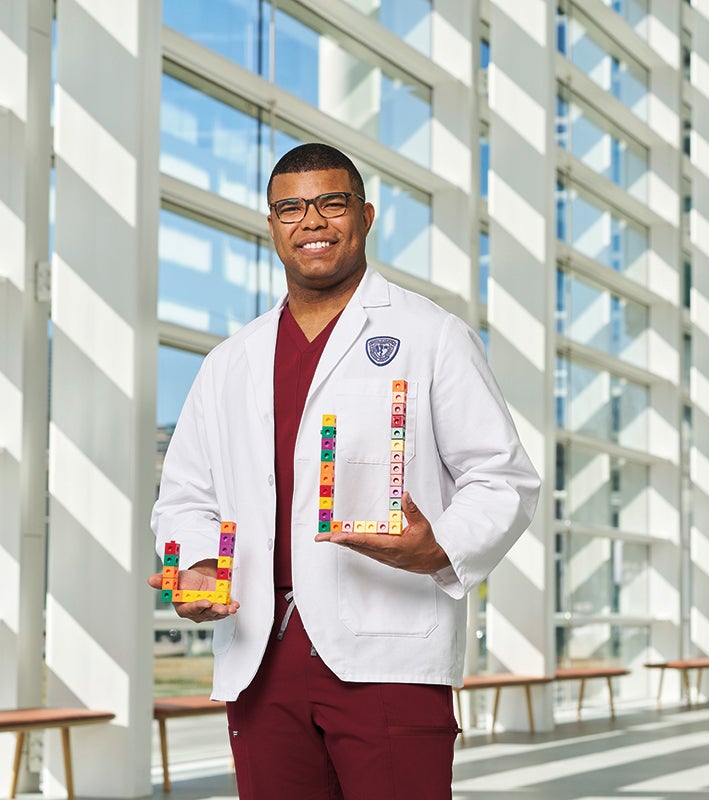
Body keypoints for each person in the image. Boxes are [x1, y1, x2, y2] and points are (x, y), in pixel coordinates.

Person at [149, 142, 540, 799]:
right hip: (261, 656)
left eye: (331, 204)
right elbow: (187, 494)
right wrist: (197, 567)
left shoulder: (430, 335)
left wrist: (439, 546)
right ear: (272, 225)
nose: (313, 222)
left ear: (365, 215)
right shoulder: (231, 361)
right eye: (291, 209)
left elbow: (503, 478)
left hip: (387, 651)